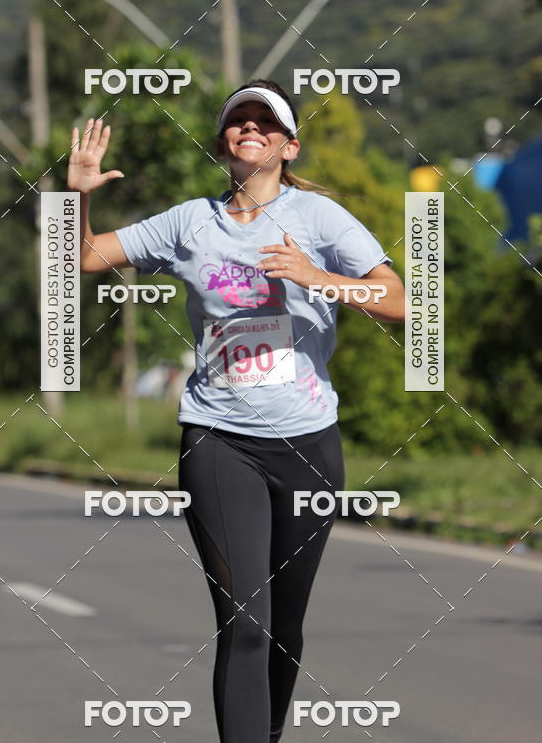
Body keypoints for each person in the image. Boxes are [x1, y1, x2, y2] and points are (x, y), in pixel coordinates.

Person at [68, 78, 406, 742]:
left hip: (309, 446)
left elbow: (402, 301)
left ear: (288, 144)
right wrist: (72, 197)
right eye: (237, 121)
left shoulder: (322, 222)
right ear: (224, 140)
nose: (249, 128)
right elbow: (79, 256)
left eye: (264, 121)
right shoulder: (191, 221)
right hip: (220, 440)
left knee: (283, 626)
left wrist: (316, 278)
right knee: (245, 622)